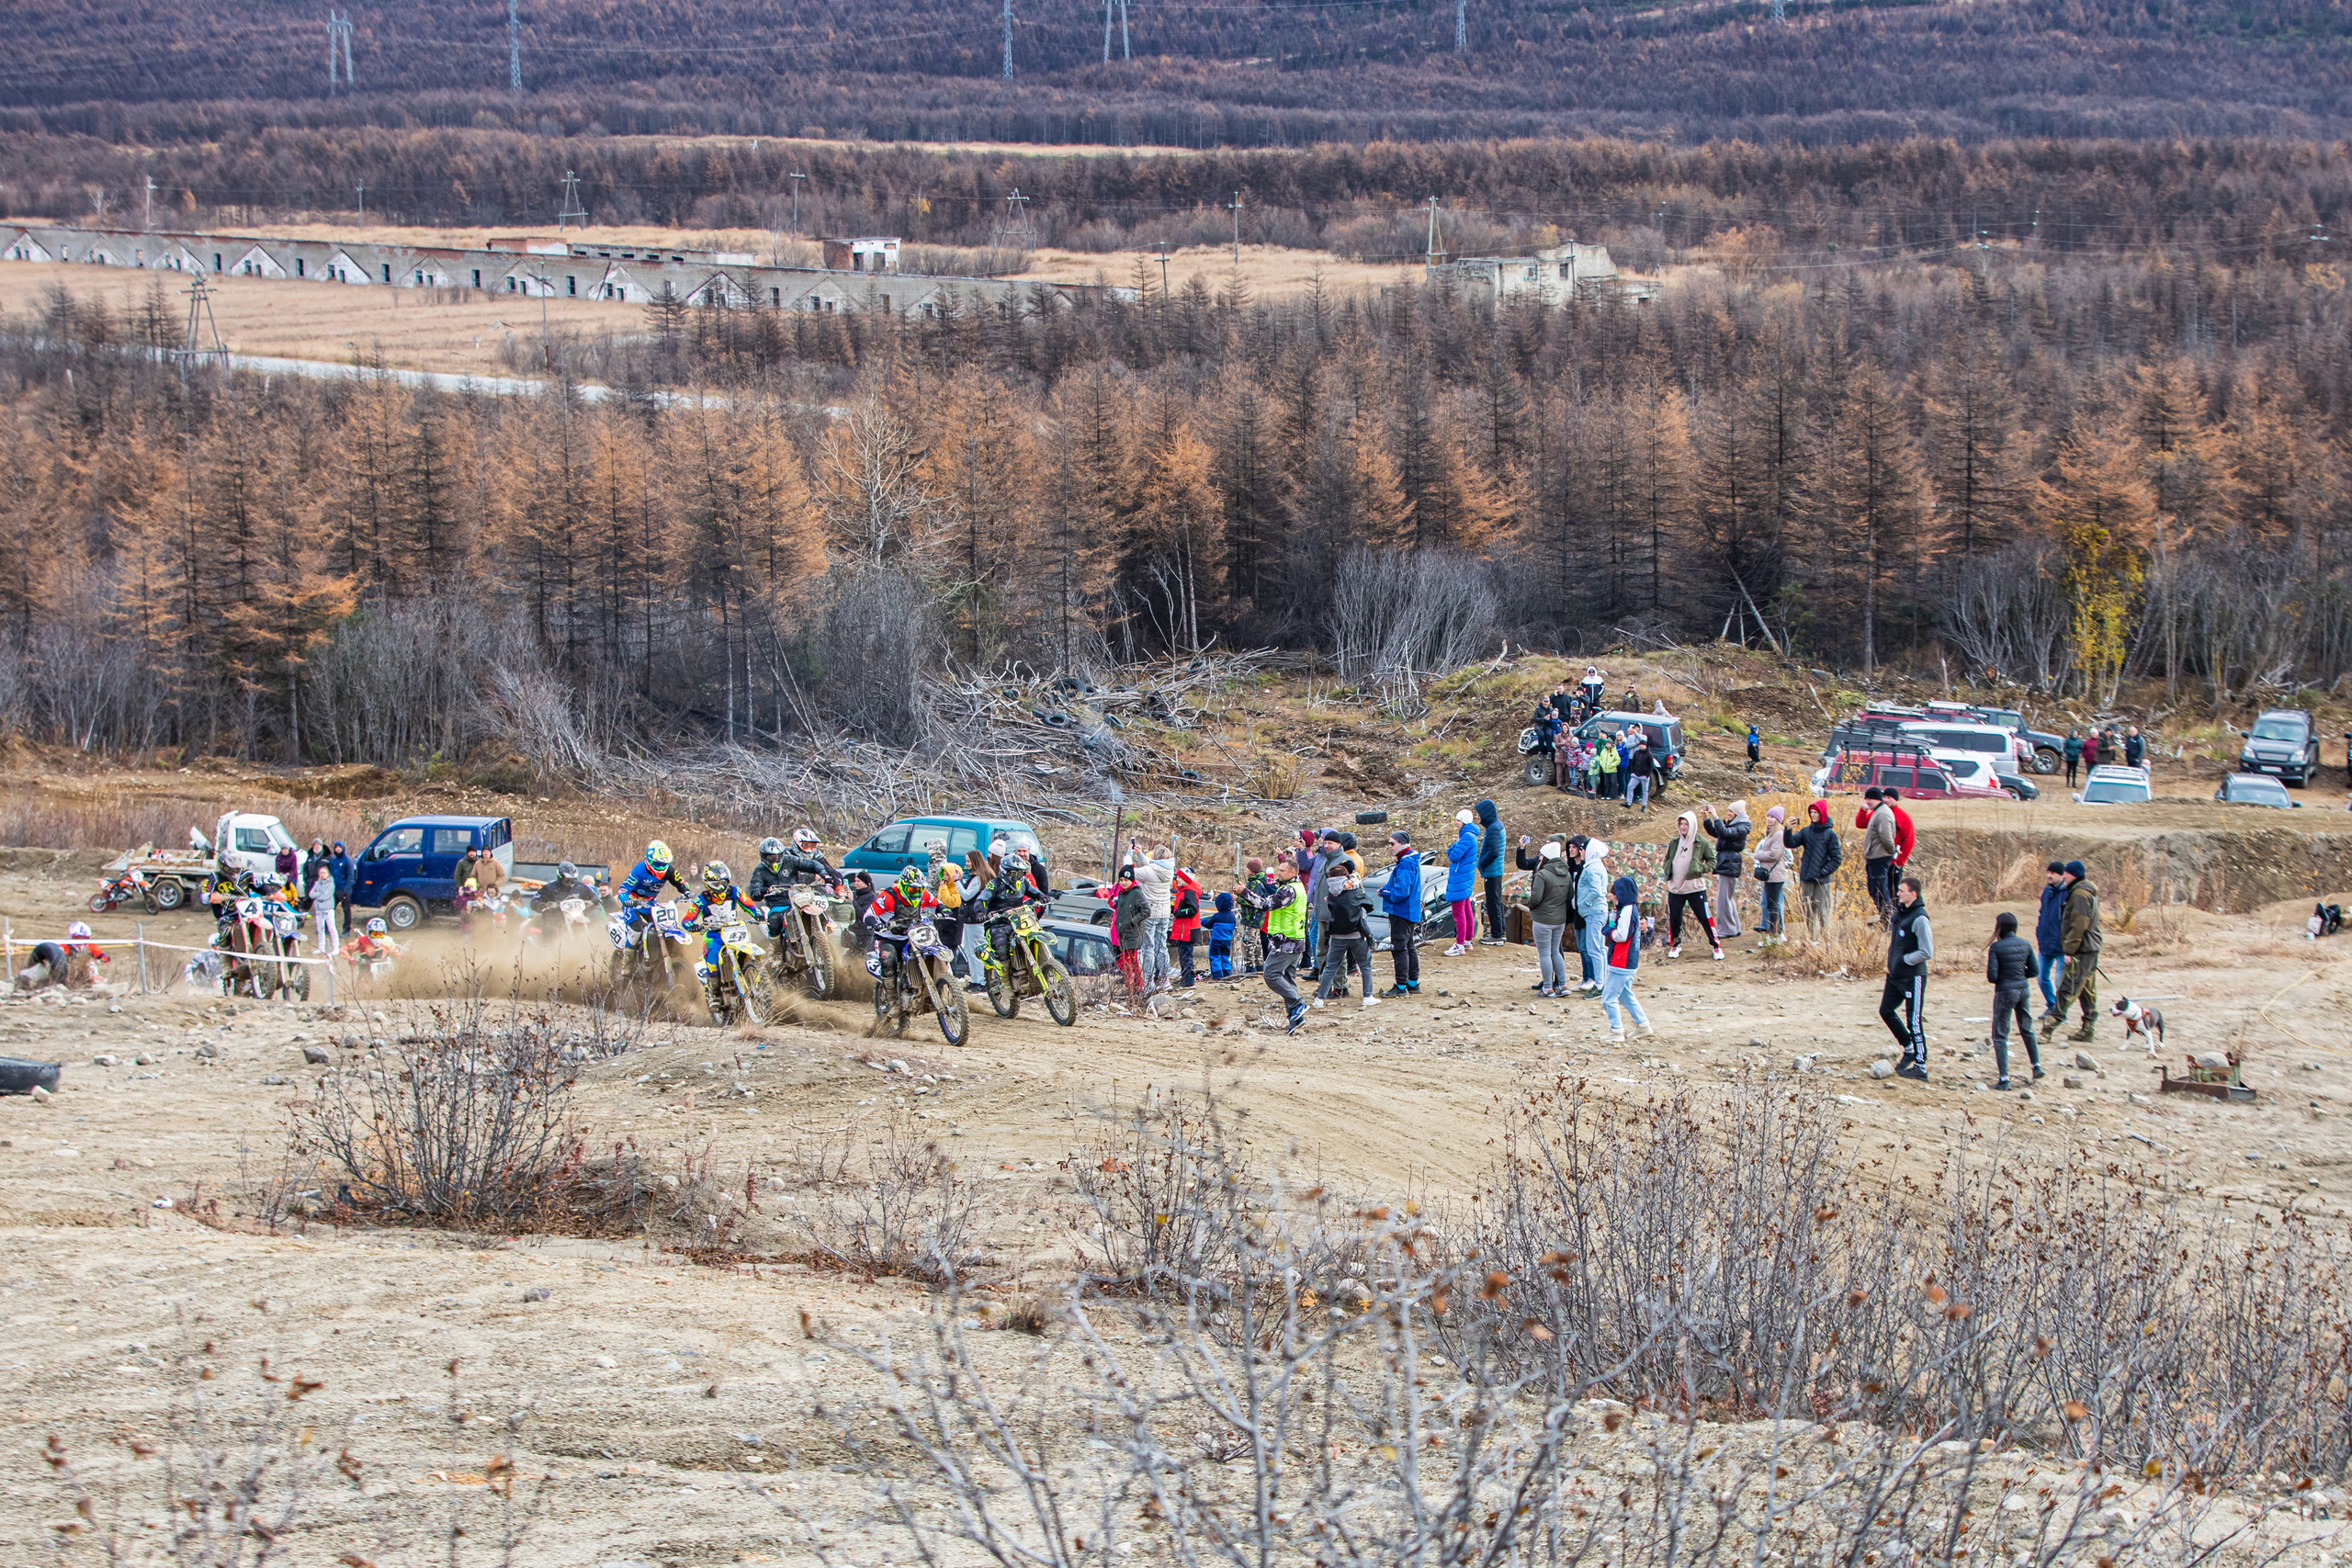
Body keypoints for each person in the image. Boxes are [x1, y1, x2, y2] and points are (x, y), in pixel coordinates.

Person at [686, 861, 765, 1015]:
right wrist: (692, 925)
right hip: (714, 936)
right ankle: (714, 995)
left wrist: (756, 913)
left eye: (724, 882)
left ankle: (754, 979)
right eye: (717, 883)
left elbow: (749, 904)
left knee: (747, 951)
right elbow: (687, 918)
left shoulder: (734, 891)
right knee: (713, 962)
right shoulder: (701, 899)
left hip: (734, 930)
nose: (722, 887)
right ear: (709, 883)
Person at [2041, 861, 2103, 1042]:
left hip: (2082, 949)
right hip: (2089, 948)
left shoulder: (2080, 894)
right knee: (2086, 989)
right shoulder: (2083, 892)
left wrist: (2068, 950)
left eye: (2066, 874)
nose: (2064, 876)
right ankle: (2088, 1029)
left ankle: (2048, 1029)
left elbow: (2078, 925)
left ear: (2073, 875)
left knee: (2068, 987)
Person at [1250, 859, 1309, 1035]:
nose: (1279, 873)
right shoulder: (1296, 888)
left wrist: (1245, 893)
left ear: (1293, 872)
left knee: (1271, 974)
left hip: (1286, 941)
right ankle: (1295, 1018)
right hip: (1293, 939)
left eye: (1283, 870)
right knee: (1289, 979)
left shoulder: (1289, 890)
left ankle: (1299, 1004)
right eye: (1279, 870)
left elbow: (1266, 905)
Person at [864, 865, 942, 998]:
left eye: (919, 890)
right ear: (903, 886)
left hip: (911, 938)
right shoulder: (888, 897)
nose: (916, 894)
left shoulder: (923, 894)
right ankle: (892, 997)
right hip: (888, 939)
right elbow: (869, 914)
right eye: (912, 890)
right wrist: (874, 924)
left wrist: (943, 909)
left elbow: (936, 903)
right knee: (888, 960)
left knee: (930, 951)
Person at [1883, 874, 1932, 1081]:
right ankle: (1909, 1047)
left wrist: (1906, 960)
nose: (1898, 893)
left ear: (1913, 894)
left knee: (1914, 1020)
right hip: (1894, 975)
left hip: (1913, 977)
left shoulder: (1920, 918)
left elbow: (1927, 951)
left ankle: (1921, 1065)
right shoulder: (1900, 913)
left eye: (1902, 890)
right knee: (1885, 1010)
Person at [1986, 910, 2041, 1090]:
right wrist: (2019, 976)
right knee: (2027, 1028)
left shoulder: (1996, 948)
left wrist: (2007, 977)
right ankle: (2036, 1066)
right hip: (2023, 990)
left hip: (2005, 991)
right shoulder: (2025, 944)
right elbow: (2034, 971)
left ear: (1999, 928)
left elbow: (1992, 976)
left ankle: (2004, 1078)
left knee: (2000, 1034)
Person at [1316, 872, 1379, 1010]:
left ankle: (1320, 999)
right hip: (1357, 934)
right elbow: (1369, 904)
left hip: (1337, 936)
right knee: (1365, 966)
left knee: (1330, 967)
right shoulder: (1355, 891)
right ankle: (1367, 996)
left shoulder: (1332, 894)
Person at [1600, 874, 1651, 1043]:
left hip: (1622, 960)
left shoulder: (1627, 911)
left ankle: (1616, 1031)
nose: (1613, 900)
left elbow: (1622, 935)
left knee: (1608, 997)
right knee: (1624, 994)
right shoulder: (1630, 909)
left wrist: (1607, 931)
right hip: (1628, 960)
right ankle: (1642, 1024)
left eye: (1614, 896)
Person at [1663, 811, 1722, 960]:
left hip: (1695, 888)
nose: (1683, 827)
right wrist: (1667, 871)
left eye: (1686, 824)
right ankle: (1675, 945)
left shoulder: (1701, 842)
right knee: (1675, 918)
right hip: (1675, 888)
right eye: (1681, 824)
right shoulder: (1674, 842)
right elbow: (1668, 859)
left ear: (1692, 825)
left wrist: (1699, 869)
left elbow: (1712, 861)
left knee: (1704, 917)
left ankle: (1716, 946)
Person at [1787, 800, 1843, 938]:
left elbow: (1837, 859)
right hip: (1806, 878)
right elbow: (1790, 843)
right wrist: (1788, 829)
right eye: (1811, 812)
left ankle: (1825, 941)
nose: (1813, 815)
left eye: (1816, 812)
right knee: (1809, 912)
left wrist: (1823, 872)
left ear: (1822, 814)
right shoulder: (1806, 831)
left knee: (1823, 911)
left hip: (1822, 881)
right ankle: (1813, 940)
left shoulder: (1830, 834)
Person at [1528, 839, 1576, 998]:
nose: (1539, 858)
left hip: (1543, 920)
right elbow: (1570, 896)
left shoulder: (1542, 874)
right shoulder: (1566, 874)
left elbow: (1535, 898)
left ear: (1546, 857)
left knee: (1544, 954)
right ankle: (1562, 985)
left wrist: (1532, 907)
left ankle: (1548, 987)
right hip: (1559, 920)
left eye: (1541, 855)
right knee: (1555, 952)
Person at [1379, 829, 1422, 996]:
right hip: (1408, 911)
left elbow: (1402, 891)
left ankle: (1401, 986)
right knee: (1409, 946)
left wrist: (1385, 892)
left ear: (1402, 843)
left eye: (1392, 843)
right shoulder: (1408, 862)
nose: (1390, 847)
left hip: (1401, 911)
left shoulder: (1405, 864)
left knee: (1399, 948)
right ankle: (1413, 983)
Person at [617, 840, 688, 937]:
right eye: (657, 864)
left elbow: (680, 882)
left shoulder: (669, 870)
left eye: (663, 864)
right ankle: (629, 951)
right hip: (633, 903)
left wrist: (686, 891)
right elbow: (623, 889)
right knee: (637, 929)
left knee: (662, 926)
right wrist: (626, 900)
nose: (660, 867)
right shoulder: (640, 870)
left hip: (650, 903)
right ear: (649, 859)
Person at [1131, 840, 1175, 995]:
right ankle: (1165, 980)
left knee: (1148, 948)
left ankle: (1148, 982)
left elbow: (1128, 872)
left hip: (1150, 913)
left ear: (1156, 856)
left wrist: (1129, 855)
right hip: (1164, 913)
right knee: (1162, 947)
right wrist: (1140, 855)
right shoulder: (1169, 870)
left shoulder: (1149, 872)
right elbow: (1152, 864)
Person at [1703, 800, 1749, 940]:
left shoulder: (1742, 827)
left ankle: (1726, 929)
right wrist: (1706, 819)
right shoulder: (1735, 825)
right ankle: (1734, 928)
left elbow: (1723, 831)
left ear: (1738, 813)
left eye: (1731, 811)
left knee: (1723, 898)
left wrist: (1716, 816)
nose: (1728, 813)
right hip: (1726, 862)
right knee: (1727, 897)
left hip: (1730, 862)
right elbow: (1716, 832)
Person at [17, 920, 107, 991]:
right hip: (65, 968)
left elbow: (104, 957)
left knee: (91, 964)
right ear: (72, 937)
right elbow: (55, 959)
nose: (81, 942)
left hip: (83, 971)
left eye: (85, 939)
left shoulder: (91, 945)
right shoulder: (62, 946)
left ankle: (91, 982)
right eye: (78, 939)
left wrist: (102, 960)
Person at [1573, 839, 1609, 996]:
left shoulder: (1592, 868)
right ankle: (1602, 982)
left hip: (1594, 912)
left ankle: (1600, 984)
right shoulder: (1595, 865)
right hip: (1595, 912)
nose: (1581, 852)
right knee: (1599, 948)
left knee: (1594, 948)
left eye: (1583, 849)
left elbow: (1596, 891)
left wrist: (1585, 903)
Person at [1858, 788, 1898, 925]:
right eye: (1866, 798)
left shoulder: (1882, 814)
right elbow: (1859, 823)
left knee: (1880, 890)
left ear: (1877, 799)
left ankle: (1888, 921)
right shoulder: (1878, 812)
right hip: (1875, 857)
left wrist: (1891, 852)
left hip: (1879, 858)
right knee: (1874, 889)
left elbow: (1887, 838)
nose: (1867, 801)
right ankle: (1884, 918)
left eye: (1869, 799)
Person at [1750, 806, 1790, 942]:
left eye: (1772, 817)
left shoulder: (1779, 834)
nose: (1769, 819)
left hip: (1775, 875)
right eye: (1768, 816)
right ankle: (1777, 933)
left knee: (1773, 905)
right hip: (1771, 874)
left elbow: (1774, 854)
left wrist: (1759, 854)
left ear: (1778, 820)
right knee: (1772, 905)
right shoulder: (1771, 834)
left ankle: (1774, 935)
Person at [1443, 808, 1479, 956]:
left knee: (1459, 913)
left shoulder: (1465, 837)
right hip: (1465, 879)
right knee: (1466, 910)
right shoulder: (1470, 836)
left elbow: (1453, 855)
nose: (1456, 823)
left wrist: (1450, 849)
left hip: (1460, 879)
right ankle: (1467, 941)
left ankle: (1459, 944)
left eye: (1457, 820)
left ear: (1463, 821)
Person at [2033, 861, 2068, 1010]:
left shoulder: (2068, 893)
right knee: (2040, 977)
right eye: (2048, 872)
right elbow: (2042, 913)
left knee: (2060, 982)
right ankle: (2052, 1005)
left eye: (2052, 873)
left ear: (2061, 875)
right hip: (2045, 944)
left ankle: (2060, 1012)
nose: (2049, 876)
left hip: (2061, 946)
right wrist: (2040, 932)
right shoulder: (2047, 891)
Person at [1476, 798, 1505, 944]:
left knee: (1493, 903)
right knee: (1497, 901)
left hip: (1492, 871)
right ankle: (1501, 931)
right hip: (1496, 871)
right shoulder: (1497, 825)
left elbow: (1493, 851)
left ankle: (1496, 935)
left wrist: (1482, 864)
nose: (1479, 817)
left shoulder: (1493, 828)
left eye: (1480, 814)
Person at [1170, 864, 1204, 987]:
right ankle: (1185, 978)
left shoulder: (1189, 892)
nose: (1177, 879)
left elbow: (1192, 909)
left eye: (1180, 878)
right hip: (1184, 929)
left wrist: (1178, 913)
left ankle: (1189, 980)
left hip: (1187, 930)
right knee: (1183, 955)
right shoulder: (1184, 891)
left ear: (1186, 879)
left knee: (1186, 956)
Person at [1239, 857, 1270, 975]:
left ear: (1253, 870)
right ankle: (1259, 965)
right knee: (1256, 943)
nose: (1246, 870)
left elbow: (1253, 901)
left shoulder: (1255, 883)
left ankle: (1250, 967)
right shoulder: (1259, 882)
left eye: (1248, 868)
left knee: (1248, 943)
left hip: (1251, 918)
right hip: (1256, 919)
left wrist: (1239, 898)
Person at [309, 860, 339, 954]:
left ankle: (336, 947)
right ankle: (321, 947)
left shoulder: (331, 884)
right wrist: (318, 894)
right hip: (318, 910)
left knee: (331, 928)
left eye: (324, 873)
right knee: (320, 929)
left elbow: (325, 896)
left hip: (328, 909)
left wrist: (317, 894)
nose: (322, 875)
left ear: (327, 873)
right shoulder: (318, 883)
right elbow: (311, 894)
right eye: (321, 873)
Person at [1884, 788, 1916, 878]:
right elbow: (1861, 823)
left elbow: (1909, 841)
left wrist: (1899, 863)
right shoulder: (1878, 813)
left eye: (1889, 797)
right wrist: (1863, 809)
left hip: (1893, 863)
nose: (1886, 800)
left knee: (1893, 891)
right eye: (1884, 797)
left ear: (1895, 800)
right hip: (1878, 862)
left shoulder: (1903, 817)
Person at [1207, 891, 1238, 979]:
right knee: (1225, 957)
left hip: (1216, 941)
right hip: (1227, 941)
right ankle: (1227, 974)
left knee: (1215, 957)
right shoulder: (1232, 917)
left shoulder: (1217, 916)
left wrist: (1201, 920)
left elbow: (1209, 925)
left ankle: (1217, 976)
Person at [329, 841, 355, 935]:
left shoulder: (347, 860)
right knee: (330, 909)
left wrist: (347, 890)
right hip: (334, 889)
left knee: (346, 910)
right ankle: (329, 928)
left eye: (339, 847)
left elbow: (350, 876)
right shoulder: (334, 860)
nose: (338, 849)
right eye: (336, 847)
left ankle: (346, 929)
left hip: (344, 889)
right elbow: (331, 874)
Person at [1626, 739, 1657, 812]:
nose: (1642, 746)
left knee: (1645, 791)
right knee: (1630, 787)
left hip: (1644, 776)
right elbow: (1633, 763)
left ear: (1646, 746)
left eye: (1643, 745)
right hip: (1636, 775)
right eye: (1641, 744)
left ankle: (1644, 805)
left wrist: (1647, 775)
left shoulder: (1649, 755)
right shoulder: (1636, 753)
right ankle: (1628, 802)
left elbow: (1651, 766)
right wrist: (1633, 772)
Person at [1594, 737, 1619, 802]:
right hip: (1605, 770)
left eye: (1609, 744)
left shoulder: (1614, 751)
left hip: (1612, 770)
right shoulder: (1603, 751)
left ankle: (1611, 795)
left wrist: (1612, 765)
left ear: (1611, 744)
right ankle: (1605, 795)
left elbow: (1618, 760)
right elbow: (1600, 758)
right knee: (1606, 783)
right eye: (1607, 744)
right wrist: (1602, 764)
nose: (1608, 745)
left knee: (1613, 783)